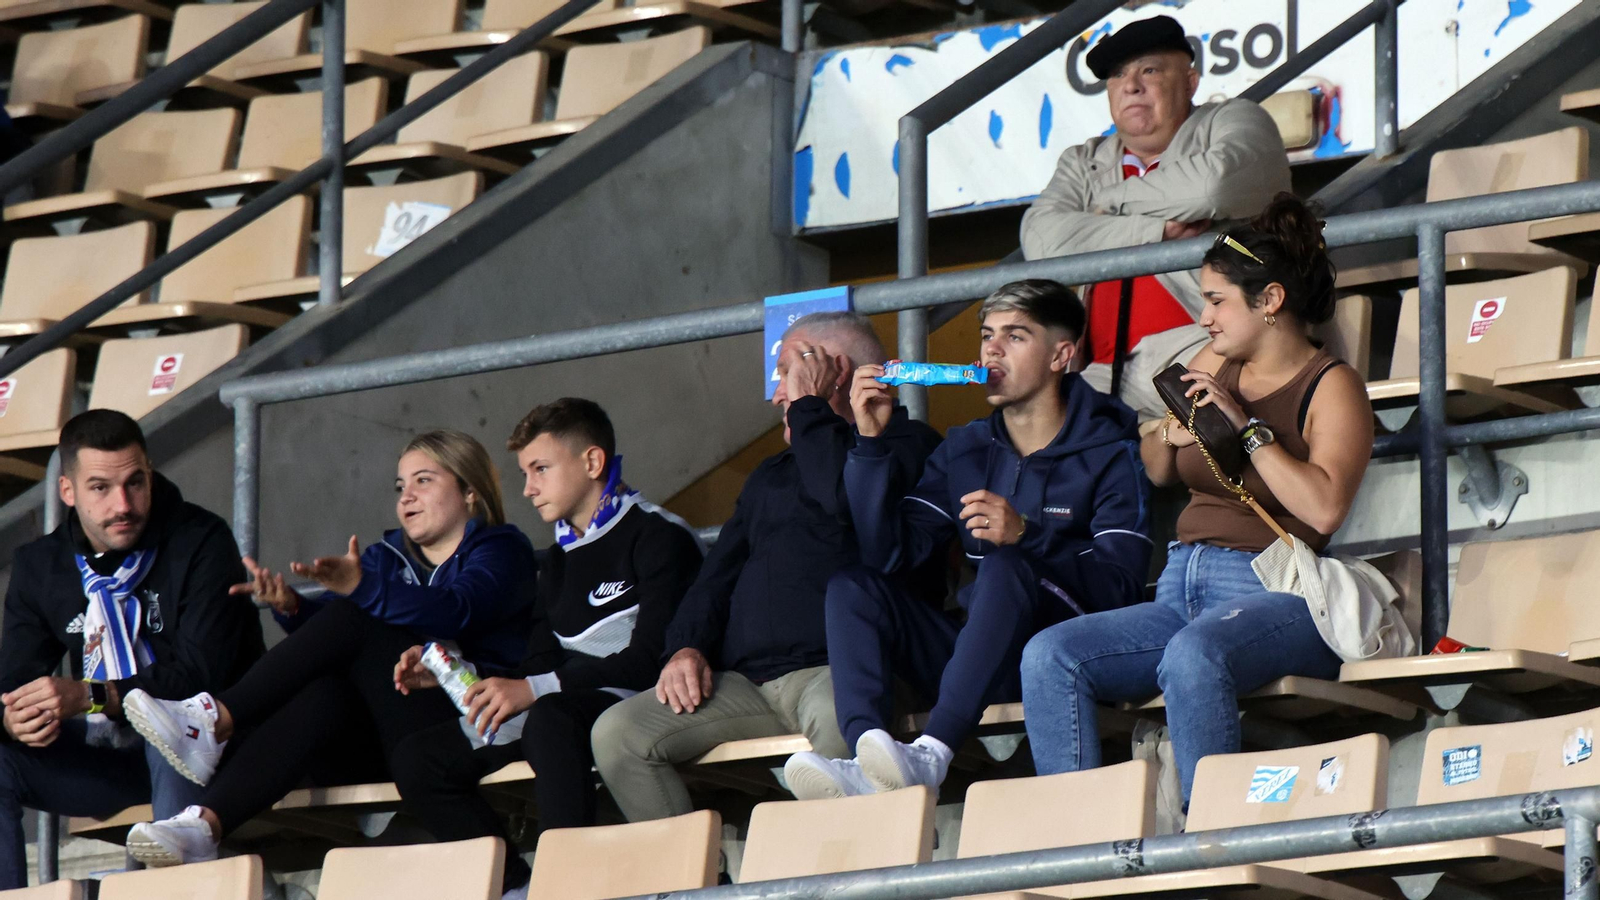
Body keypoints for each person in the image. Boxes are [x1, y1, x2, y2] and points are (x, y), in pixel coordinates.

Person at [1020, 194, 1375, 805]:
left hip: (1274, 593)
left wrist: (1246, 429)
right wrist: (1167, 431)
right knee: (1050, 654)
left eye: (1216, 301)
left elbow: (1323, 510)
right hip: (1178, 584)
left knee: (1193, 654)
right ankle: (1076, 844)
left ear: (1270, 302)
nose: (1203, 317)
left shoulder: (1332, 383)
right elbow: (1158, 470)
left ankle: (1209, 843)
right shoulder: (1215, 359)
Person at [784, 281, 1152, 799]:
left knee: (1006, 565)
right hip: (980, 657)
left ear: (1061, 355)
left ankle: (933, 753)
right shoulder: (968, 447)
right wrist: (869, 446)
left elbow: (1121, 589)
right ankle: (866, 757)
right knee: (854, 586)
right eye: (986, 335)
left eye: (1015, 336)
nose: (991, 350)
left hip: (1065, 651)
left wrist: (1028, 536)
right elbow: (891, 555)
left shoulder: (1112, 448)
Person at [121, 430, 537, 867]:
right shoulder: (386, 558)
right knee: (326, 695)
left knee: (356, 615)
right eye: (400, 486)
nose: (406, 497)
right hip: (387, 735)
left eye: (424, 481)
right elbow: (338, 641)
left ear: (470, 491)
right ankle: (205, 825)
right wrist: (294, 607)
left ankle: (214, 719)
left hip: (468, 724)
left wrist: (365, 589)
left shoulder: (501, 549)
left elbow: (457, 610)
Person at [590, 311, 943, 822]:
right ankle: (691, 885)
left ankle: (864, 873)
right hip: (749, 684)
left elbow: (843, 496)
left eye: (786, 374)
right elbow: (717, 575)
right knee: (619, 733)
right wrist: (685, 647)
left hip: (844, 673)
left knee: (843, 719)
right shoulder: (769, 474)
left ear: (833, 370)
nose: (778, 394)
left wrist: (809, 409)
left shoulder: (905, 446)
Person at [387, 399, 705, 900]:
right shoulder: (555, 560)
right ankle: (515, 887)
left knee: (550, 719)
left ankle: (566, 887)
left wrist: (536, 688)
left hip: (640, 701)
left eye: (540, 469)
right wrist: (459, 675)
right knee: (419, 758)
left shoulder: (660, 536)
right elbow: (535, 666)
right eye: (524, 472)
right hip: (562, 701)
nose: (527, 488)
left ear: (592, 463)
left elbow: (652, 661)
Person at [0, 410, 262, 890]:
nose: (124, 504)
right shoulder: (41, 566)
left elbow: (201, 675)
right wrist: (13, 716)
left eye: (135, 482)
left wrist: (90, 694)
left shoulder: (201, 540)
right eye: (100, 487)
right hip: (112, 757)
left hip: (216, 752)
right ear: (68, 492)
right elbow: (11, 680)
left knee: (169, 727)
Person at [1020, 14, 1292, 420]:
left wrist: (1106, 205)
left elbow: (1213, 187)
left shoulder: (1233, 120)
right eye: (1117, 75)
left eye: (1149, 70)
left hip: (1206, 346)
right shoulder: (1083, 161)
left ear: (1190, 82)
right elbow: (1040, 243)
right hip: (1100, 369)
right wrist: (1156, 230)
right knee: (1032, 429)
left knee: (1204, 442)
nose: (1131, 85)